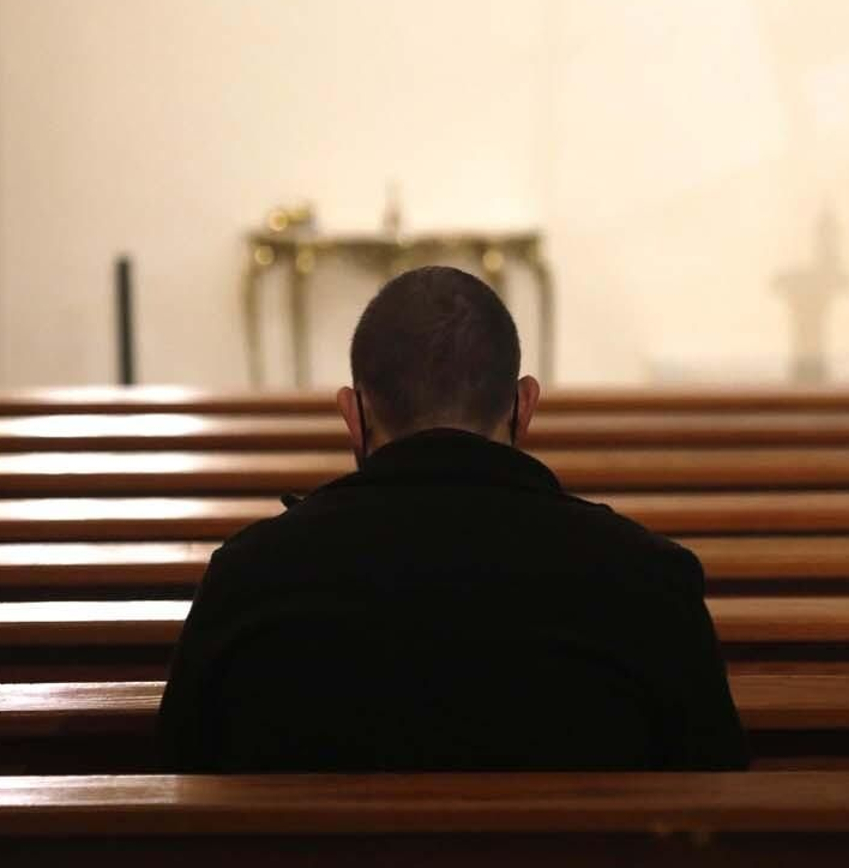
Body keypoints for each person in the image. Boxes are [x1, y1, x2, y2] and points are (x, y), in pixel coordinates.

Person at [159, 265, 748, 772]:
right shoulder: (648, 580)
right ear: (525, 406)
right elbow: (715, 787)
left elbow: (177, 779)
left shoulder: (247, 577)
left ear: (353, 412)